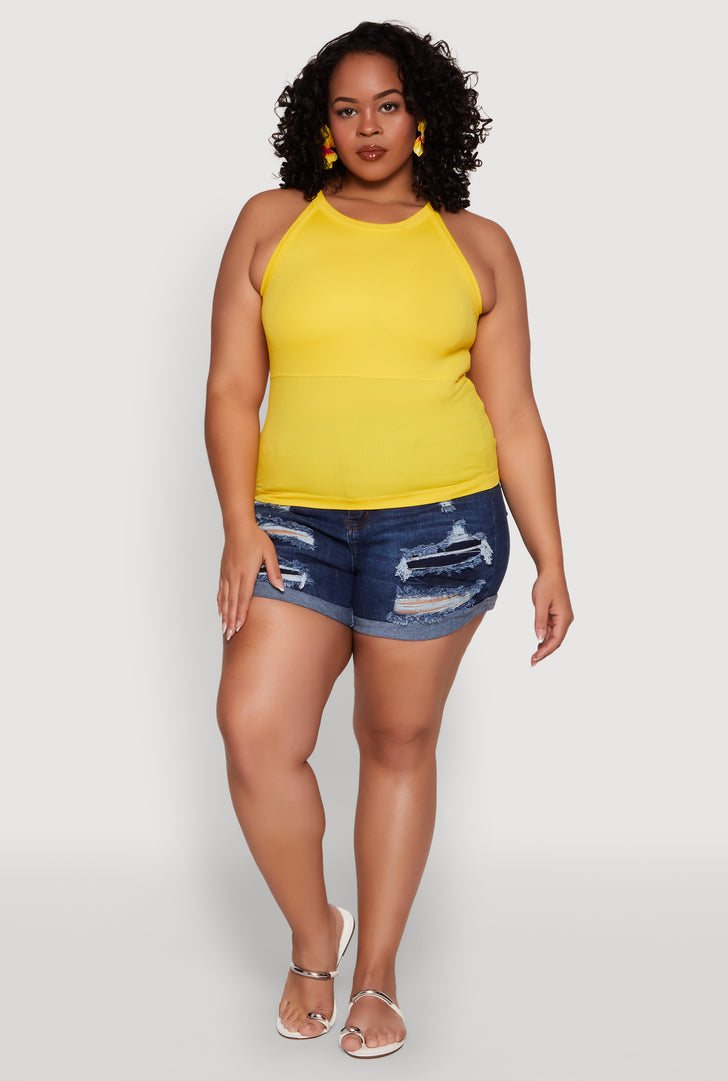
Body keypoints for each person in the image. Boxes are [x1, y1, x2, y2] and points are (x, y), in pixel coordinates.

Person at [204, 20, 573, 1059]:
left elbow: (513, 416)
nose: (368, 126)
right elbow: (231, 389)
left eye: (388, 105)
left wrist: (551, 556)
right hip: (292, 524)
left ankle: (378, 971)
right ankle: (314, 933)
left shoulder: (476, 244)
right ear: (322, 127)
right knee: (254, 731)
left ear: (422, 118)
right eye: (347, 108)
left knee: (396, 742)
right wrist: (237, 524)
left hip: (439, 529)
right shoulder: (273, 223)